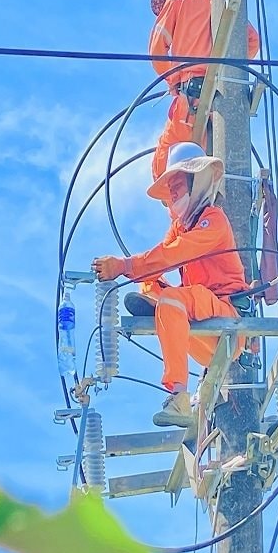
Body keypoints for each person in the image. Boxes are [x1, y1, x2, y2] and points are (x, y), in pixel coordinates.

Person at [92, 142, 247, 427]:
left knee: (172, 299)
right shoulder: (181, 226)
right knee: (152, 286)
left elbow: (173, 254)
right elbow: (161, 256)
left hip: (226, 321)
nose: (172, 193)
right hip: (201, 325)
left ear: (196, 180)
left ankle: (178, 396)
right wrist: (142, 276)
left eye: (177, 184)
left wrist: (126, 266)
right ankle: (160, 310)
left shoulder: (213, 221)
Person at [148, 0, 260, 181]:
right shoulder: (218, 3)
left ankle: (185, 213)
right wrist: (227, 71)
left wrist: (173, 82)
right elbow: (252, 40)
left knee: (165, 169)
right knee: (206, 168)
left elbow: (157, 50)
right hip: (221, 106)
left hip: (189, 100)